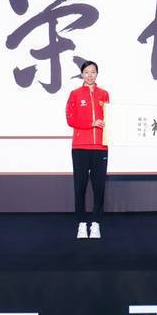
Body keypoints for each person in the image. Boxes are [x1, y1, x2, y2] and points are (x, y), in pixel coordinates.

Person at [65, 60, 109, 239]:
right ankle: (82, 224)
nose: (90, 75)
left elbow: (110, 119)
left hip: (100, 147)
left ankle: (96, 223)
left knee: (99, 186)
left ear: (97, 74)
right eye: (87, 72)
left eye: (93, 72)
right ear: (82, 74)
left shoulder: (104, 94)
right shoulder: (75, 94)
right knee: (80, 186)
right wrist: (91, 123)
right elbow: (70, 119)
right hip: (80, 147)